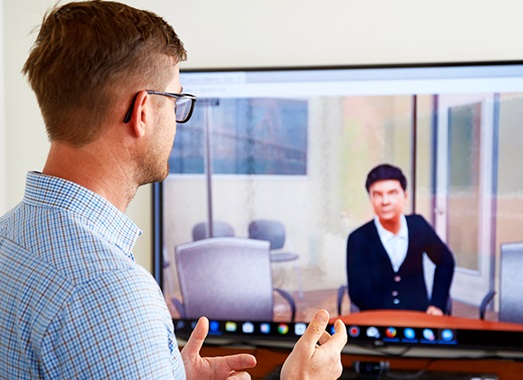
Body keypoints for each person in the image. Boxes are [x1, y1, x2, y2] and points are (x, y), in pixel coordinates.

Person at [0, 1, 346, 379]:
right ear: (143, 111)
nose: (179, 119)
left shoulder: (10, 236)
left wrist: (162, 371)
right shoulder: (108, 293)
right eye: (177, 100)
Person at [346, 164, 455, 315]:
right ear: (370, 199)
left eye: (392, 193)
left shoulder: (418, 226)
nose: (385, 201)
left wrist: (437, 304)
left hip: (418, 318)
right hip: (376, 320)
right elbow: (357, 291)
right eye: (377, 194)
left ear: (405, 196)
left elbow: (445, 261)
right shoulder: (358, 238)